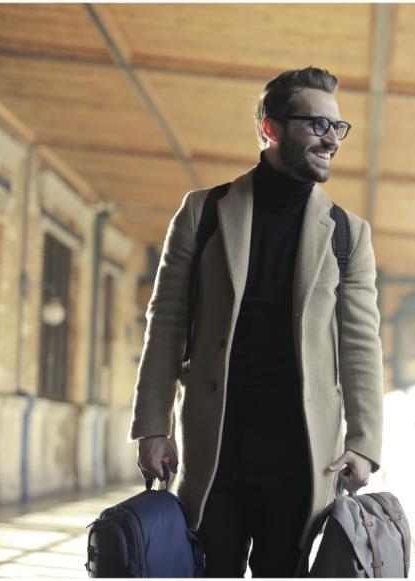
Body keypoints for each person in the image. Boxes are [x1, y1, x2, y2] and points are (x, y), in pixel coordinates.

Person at [128, 66, 384, 577]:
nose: (332, 139)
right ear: (271, 129)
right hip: (214, 444)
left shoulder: (346, 233)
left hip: (302, 450)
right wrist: (152, 425)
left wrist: (363, 442)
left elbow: (361, 344)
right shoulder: (202, 213)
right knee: (211, 566)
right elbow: (166, 322)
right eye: (317, 125)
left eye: (338, 128)